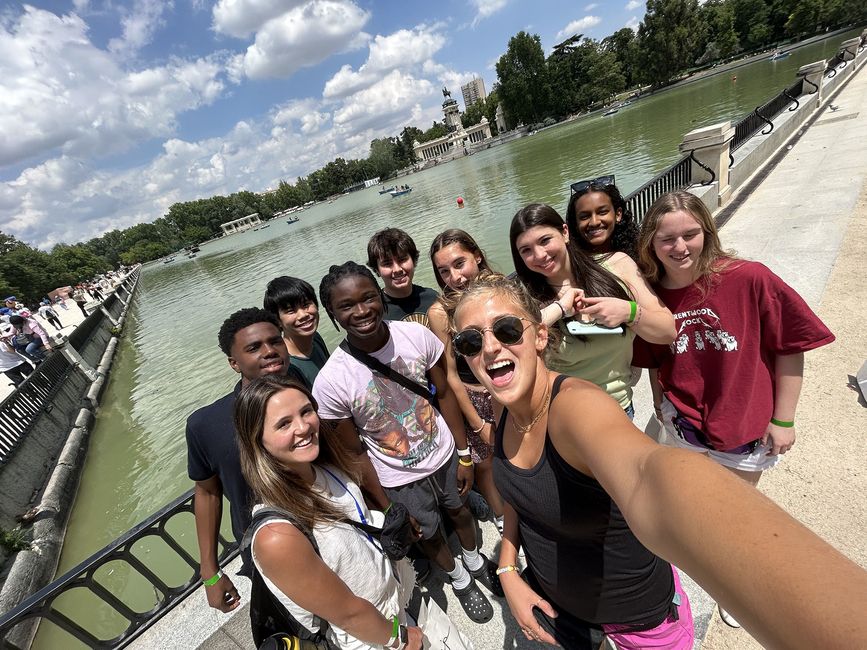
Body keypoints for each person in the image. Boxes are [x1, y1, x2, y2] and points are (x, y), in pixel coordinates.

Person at [449, 272, 867, 650]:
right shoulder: (504, 406)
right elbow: (522, 502)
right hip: (564, 611)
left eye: (505, 330)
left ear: (540, 336)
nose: (489, 348)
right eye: (470, 341)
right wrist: (508, 569)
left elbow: (649, 475)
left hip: (637, 621)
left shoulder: (576, 409)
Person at [633, 191, 835, 626]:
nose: (680, 248)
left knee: (738, 514)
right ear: (651, 243)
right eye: (667, 239)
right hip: (685, 424)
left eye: (690, 235)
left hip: (744, 423)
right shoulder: (651, 299)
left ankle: (736, 588)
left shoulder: (749, 278)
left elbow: (790, 346)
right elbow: (652, 360)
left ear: (707, 232)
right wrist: (660, 403)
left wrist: (784, 419)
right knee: (699, 505)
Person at [312, 262, 500, 624]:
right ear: (332, 314)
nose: (361, 310)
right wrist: (387, 507)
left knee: (460, 511)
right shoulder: (331, 381)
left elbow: (443, 394)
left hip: (444, 453)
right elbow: (354, 451)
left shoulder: (416, 336)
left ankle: (475, 561)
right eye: (346, 305)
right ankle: (460, 580)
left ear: (380, 297)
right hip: (398, 476)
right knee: (427, 534)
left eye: (368, 298)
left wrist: (463, 455)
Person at [235, 374, 423, 650]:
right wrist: (400, 638)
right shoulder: (276, 536)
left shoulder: (324, 468)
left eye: (306, 411)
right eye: (284, 424)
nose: (303, 427)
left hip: (391, 605)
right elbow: (347, 613)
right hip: (367, 638)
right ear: (258, 441)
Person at [186, 308, 304, 613]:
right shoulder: (207, 424)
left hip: (330, 525)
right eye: (254, 348)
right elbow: (207, 492)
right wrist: (210, 573)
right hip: (269, 547)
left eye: (275, 341)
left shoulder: (303, 395)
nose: (269, 351)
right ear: (234, 362)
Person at [509, 203, 675, 417]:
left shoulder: (616, 265)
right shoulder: (524, 297)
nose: (540, 255)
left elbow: (668, 331)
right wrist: (559, 308)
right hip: (566, 416)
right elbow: (513, 341)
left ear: (565, 233)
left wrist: (628, 312)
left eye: (545, 240)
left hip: (619, 409)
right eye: (526, 250)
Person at [427, 229, 504, 532]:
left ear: (477, 255)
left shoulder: (500, 291)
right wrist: (479, 425)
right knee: (485, 464)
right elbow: (449, 374)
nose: (454, 277)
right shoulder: (440, 312)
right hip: (475, 397)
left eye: (460, 264)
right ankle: (502, 520)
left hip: (509, 385)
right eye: (443, 271)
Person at [263, 276, 330, 388]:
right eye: (290, 311)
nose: (303, 315)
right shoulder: (285, 365)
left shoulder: (315, 338)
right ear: (277, 320)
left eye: (306, 305)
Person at [366, 228, 438, 326]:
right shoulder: (375, 311)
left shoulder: (433, 298)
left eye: (402, 260)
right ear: (377, 270)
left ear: (414, 261)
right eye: (387, 264)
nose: (397, 269)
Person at [565, 175, 639, 260]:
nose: (594, 222)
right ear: (575, 223)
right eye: (584, 217)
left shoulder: (643, 253)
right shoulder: (571, 264)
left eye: (602, 212)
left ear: (618, 214)